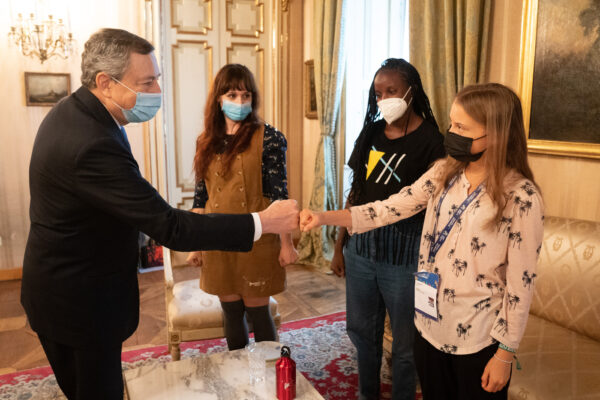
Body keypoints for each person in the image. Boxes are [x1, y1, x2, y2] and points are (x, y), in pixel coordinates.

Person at [21, 28, 298, 400]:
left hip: (72, 288)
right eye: (147, 82)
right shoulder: (90, 141)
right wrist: (263, 221)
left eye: (157, 79)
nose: (156, 90)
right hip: (79, 303)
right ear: (105, 82)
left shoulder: (79, 115)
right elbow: (170, 226)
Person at [300, 83, 544, 400]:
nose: (451, 134)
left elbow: (521, 284)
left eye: (461, 128)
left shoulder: (521, 197)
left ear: (496, 134)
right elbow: (390, 208)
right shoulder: (444, 173)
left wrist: (505, 354)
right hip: (429, 328)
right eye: (452, 124)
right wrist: (324, 217)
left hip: (479, 339)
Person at [331, 58, 445, 400]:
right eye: (378, 94)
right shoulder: (371, 133)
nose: (383, 100)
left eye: (391, 91)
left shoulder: (432, 141)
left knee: (406, 344)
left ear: (411, 91)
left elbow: (434, 206)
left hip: (405, 256)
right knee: (362, 334)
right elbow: (356, 193)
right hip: (361, 251)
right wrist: (339, 247)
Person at [185, 64, 298, 350]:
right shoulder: (205, 141)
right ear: (219, 99)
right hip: (217, 239)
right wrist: (196, 246)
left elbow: (280, 197)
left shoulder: (269, 137)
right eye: (232, 95)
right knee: (231, 312)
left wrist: (286, 245)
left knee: (258, 312)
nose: (240, 102)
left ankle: (269, 368)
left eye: (246, 96)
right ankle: (237, 368)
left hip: (258, 240)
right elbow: (201, 198)